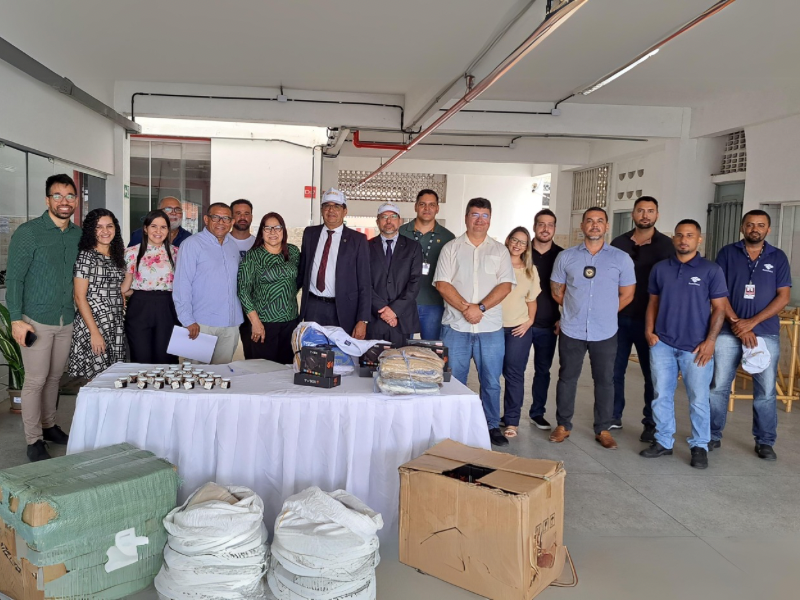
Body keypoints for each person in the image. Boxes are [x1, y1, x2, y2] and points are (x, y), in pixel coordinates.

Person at [641, 220, 728, 469]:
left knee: (699, 398)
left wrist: (710, 341)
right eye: (679, 235)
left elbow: (720, 309)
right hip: (663, 343)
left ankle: (699, 445)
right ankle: (663, 441)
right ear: (674, 239)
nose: (683, 239)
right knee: (661, 395)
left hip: (697, 347)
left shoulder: (711, 270)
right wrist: (649, 331)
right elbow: (653, 302)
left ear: (699, 239)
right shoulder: (660, 269)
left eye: (690, 235)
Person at [7, 174, 81, 461]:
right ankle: (33, 440)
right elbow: (14, 278)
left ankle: (49, 426)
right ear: (47, 200)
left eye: (70, 196)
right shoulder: (29, 233)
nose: (64, 201)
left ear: (76, 200)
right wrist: (16, 319)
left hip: (65, 319)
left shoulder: (77, 235)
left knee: (54, 378)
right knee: (35, 380)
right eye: (57, 195)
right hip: (35, 320)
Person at [549, 207, 635, 450]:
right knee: (567, 378)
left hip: (605, 331)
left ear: (606, 226)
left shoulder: (621, 258)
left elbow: (628, 294)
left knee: (605, 380)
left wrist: (605, 312)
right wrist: (573, 309)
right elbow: (556, 289)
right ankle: (563, 425)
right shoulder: (566, 257)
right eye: (589, 221)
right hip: (572, 329)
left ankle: (603, 429)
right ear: (582, 226)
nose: (594, 225)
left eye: (599, 221)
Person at [709, 210, 791, 461]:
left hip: (765, 334)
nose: (755, 229)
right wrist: (737, 323)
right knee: (718, 386)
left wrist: (751, 324)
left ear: (768, 229)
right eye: (750, 224)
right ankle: (711, 435)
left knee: (765, 391)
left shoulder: (778, 257)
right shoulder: (727, 253)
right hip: (728, 331)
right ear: (742, 228)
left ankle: (765, 441)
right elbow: (718, 292)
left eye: (760, 225)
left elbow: (783, 297)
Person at [434, 198, 515, 447]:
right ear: (466, 217)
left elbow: (506, 285)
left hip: (490, 328)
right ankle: (454, 426)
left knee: (491, 381)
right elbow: (442, 284)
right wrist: (466, 309)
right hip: (455, 327)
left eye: (485, 215)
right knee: (453, 380)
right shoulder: (451, 248)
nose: (480, 220)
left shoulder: (500, 250)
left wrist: (479, 308)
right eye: (475, 215)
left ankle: (491, 425)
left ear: (490, 219)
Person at [610, 197, 675, 442]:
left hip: (651, 322)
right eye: (640, 210)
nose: (645, 215)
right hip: (618, 317)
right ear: (633, 214)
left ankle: (651, 422)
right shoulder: (618, 243)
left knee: (652, 374)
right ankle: (613, 416)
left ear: (657, 215)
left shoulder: (667, 246)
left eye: (650, 211)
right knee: (614, 371)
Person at [174, 203, 243, 364]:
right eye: (215, 217)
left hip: (230, 324)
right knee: (194, 374)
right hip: (200, 324)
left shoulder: (232, 246)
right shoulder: (191, 244)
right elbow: (182, 284)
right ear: (206, 219)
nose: (221, 222)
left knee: (222, 373)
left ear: (232, 222)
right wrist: (187, 320)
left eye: (226, 218)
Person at [297, 188, 371, 339]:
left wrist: (363, 320)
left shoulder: (358, 240)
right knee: (313, 350)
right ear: (321, 210)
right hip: (313, 306)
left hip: (343, 309)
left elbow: (365, 282)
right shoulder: (310, 234)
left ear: (345, 211)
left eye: (336, 206)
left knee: (340, 351)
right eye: (327, 205)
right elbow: (303, 269)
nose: (331, 210)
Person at [67, 209, 126, 380]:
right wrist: (94, 333)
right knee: (97, 381)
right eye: (98, 227)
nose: (105, 231)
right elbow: (79, 297)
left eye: (109, 226)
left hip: (114, 324)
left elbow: (117, 287)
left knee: (113, 379)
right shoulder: (87, 256)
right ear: (90, 231)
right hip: (94, 324)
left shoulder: (116, 255)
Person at [238, 212, 300, 364]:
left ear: (283, 230)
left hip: (290, 321)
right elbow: (243, 290)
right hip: (263, 323)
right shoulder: (253, 256)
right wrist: (255, 322)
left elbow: (297, 281)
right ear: (262, 231)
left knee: (287, 368)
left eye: (277, 228)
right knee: (263, 369)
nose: (273, 232)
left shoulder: (293, 251)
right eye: (268, 228)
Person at [122, 210, 180, 364]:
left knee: (166, 358)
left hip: (167, 307)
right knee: (141, 357)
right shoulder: (131, 252)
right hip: (139, 307)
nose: (158, 231)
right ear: (145, 229)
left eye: (163, 227)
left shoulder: (176, 253)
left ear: (168, 230)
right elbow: (126, 286)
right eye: (154, 226)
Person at [398, 189, 455, 340]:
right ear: (416, 207)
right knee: (401, 347)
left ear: (437, 208)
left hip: (434, 303)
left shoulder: (448, 237)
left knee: (431, 349)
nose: (427, 208)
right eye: (422, 204)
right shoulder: (401, 232)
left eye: (432, 205)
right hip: (403, 302)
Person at [500, 227, 539, 440]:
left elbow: (531, 300)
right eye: (514, 240)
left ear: (527, 247)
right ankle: (489, 416)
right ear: (508, 240)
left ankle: (512, 420)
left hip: (518, 329)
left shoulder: (530, 271)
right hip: (493, 327)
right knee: (490, 374)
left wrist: (529, 322)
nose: (517, 245)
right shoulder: (496, 264)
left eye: (522, 242)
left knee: (514, 374)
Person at [368, 203, 422, 345]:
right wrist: (383, 310)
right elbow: (363, 282)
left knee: (401, 357)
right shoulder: (366, 247)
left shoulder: (413, 247)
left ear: (400, 221)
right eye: (384, 217)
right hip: (375, 317)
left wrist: (394, 310)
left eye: (393, 216)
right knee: (372, 357)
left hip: (402, 318)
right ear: (377, 221)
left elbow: (415, 282)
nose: (389, 221)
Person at [528, 209, 563, 430]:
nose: (545, 229)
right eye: (541, 224)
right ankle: (509, 414)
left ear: (554, 229)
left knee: (543, 371)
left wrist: (564, 317)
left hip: (549, 325)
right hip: (520, 323)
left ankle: (537, 412)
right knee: (512, 371)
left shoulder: (563, 256)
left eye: (550, 225)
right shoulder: (521, 251)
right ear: (534, 226)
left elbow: (571, 291)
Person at [229, 199, 256, 357]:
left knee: (253, 354)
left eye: (246, 213)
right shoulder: (222, 241)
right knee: (220, 355)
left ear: (252, 217)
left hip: (251, 307)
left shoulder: (258, 244)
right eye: (238, 213)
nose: (242, 217)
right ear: (231, 217)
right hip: (227, 306)